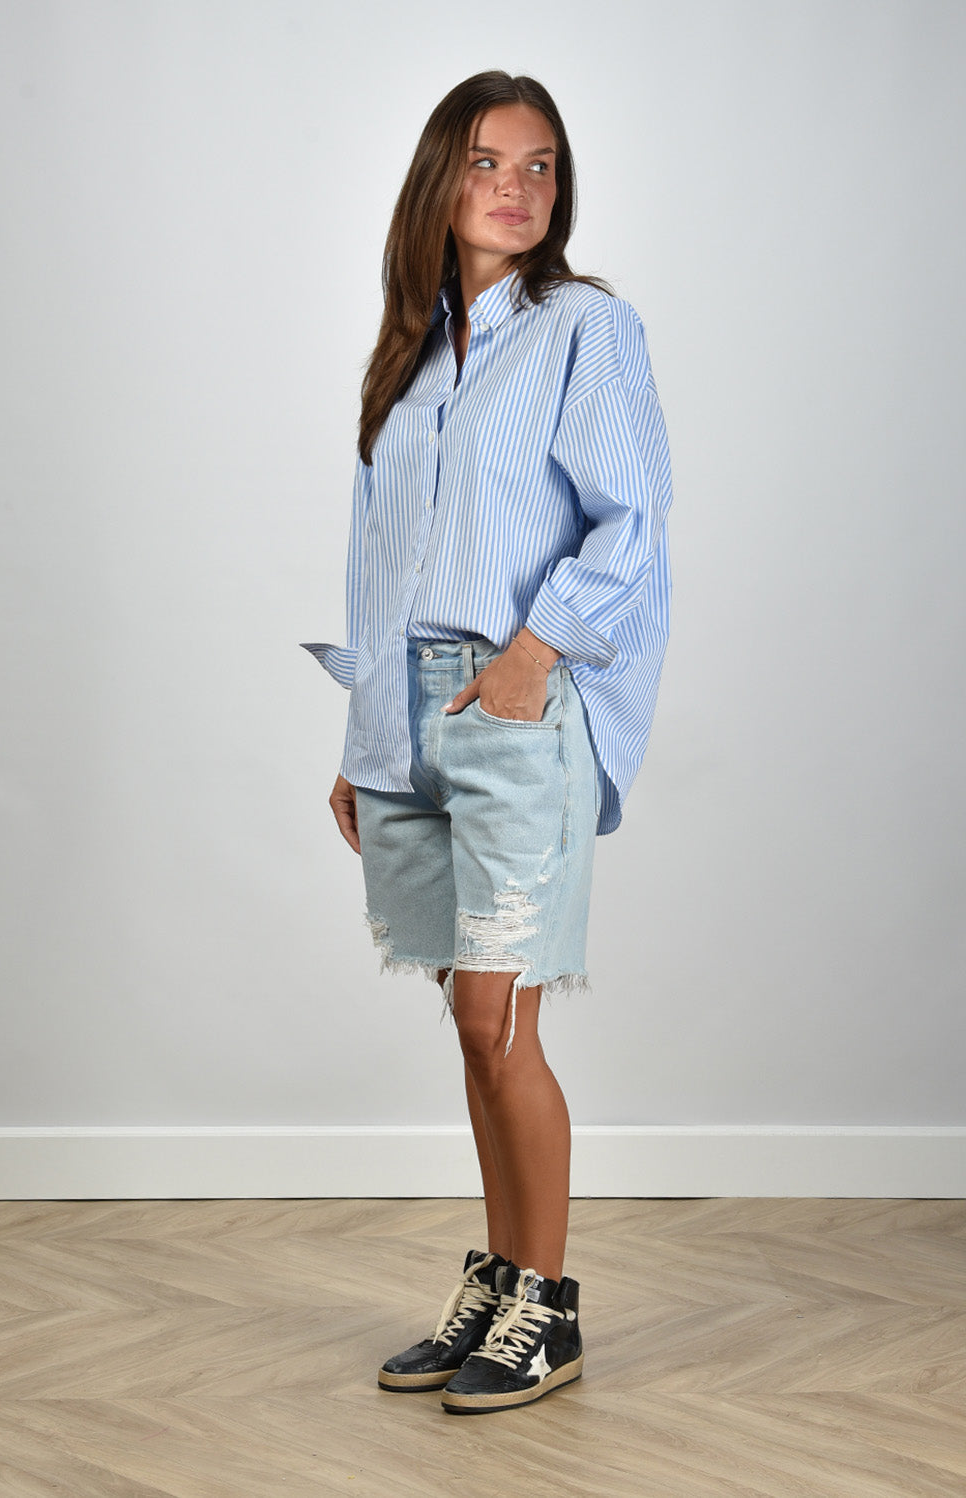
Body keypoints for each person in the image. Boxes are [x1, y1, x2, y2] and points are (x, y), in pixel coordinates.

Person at [302, 70, 672, 1415]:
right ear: (440, 181)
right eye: (487, 161)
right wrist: (362, 735)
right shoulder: (408, 351)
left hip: (514, 707)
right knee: (470, 1031)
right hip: (406, 716)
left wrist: (533, 653)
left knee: (494, 1015)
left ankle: (550, 1309)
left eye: (540, 165)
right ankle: (505, 1280)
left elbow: (634, 519)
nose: (517, 188)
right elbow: (379, 562)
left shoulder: (585, 328)